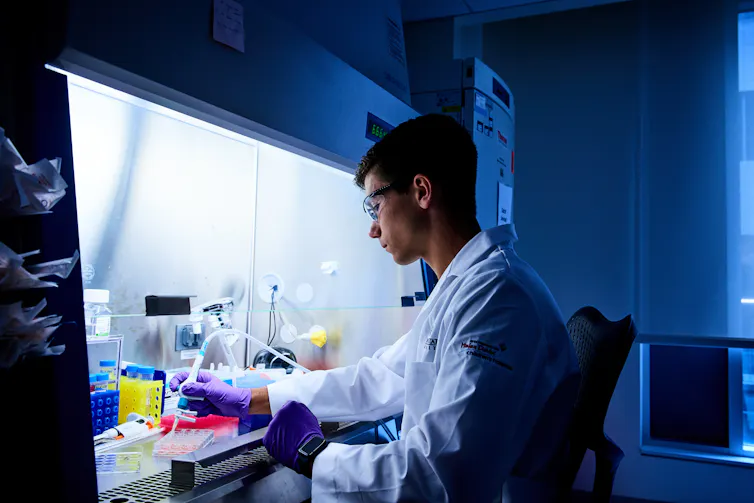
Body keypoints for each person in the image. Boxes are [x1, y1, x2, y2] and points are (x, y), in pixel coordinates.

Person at [170, 114, 581, 502]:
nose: (373, 228)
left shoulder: (499, 299)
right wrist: (252, 398)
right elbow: (380, 378)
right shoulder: (465, 288)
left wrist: (314, 454)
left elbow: (442, 478)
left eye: (375, 205)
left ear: (421, 191)